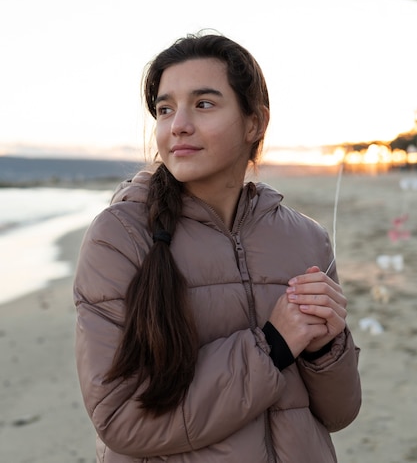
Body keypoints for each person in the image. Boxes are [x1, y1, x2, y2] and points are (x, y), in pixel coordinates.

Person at [74, 32, 361, 463]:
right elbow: (121, 420)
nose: (178, 125)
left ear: (254, 123)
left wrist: (325, 347)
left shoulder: (307, 238)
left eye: (203, 104)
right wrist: (272, 345)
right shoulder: (118, 237)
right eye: (165, 109)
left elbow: (338, 413)